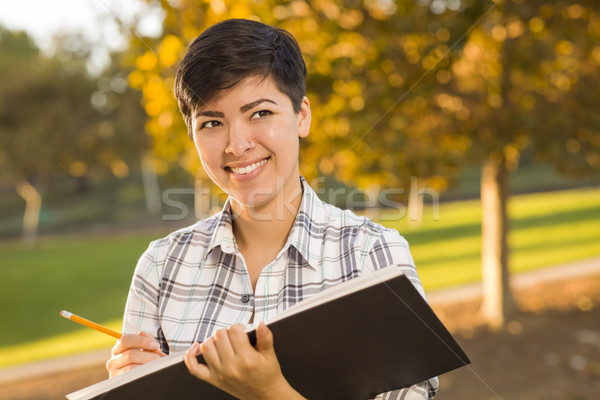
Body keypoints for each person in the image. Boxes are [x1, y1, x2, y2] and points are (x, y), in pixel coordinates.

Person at [105, 18, 438, 400]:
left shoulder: (372, 255)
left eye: (260, 113)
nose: (237, 144)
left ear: (302, 116)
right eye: (212, 122)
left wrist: (271, 393)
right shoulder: (161, 267)